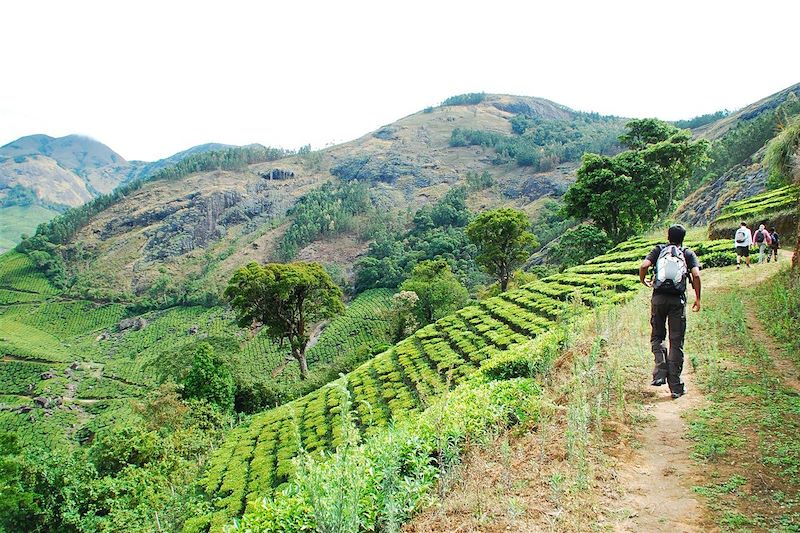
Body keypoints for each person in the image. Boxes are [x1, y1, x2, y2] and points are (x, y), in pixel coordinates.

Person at [639, 224, 701, 399]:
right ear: (683, 238)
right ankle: (675, 387)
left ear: (668, 236)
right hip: (677, 300)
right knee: (676, 341)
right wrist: (698, 298)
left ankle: (660, 372)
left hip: (658, 298)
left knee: (657, 336)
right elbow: (696, 275)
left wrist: (644, 280)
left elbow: (644, 266)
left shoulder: (659, 250)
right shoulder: (687, 253)